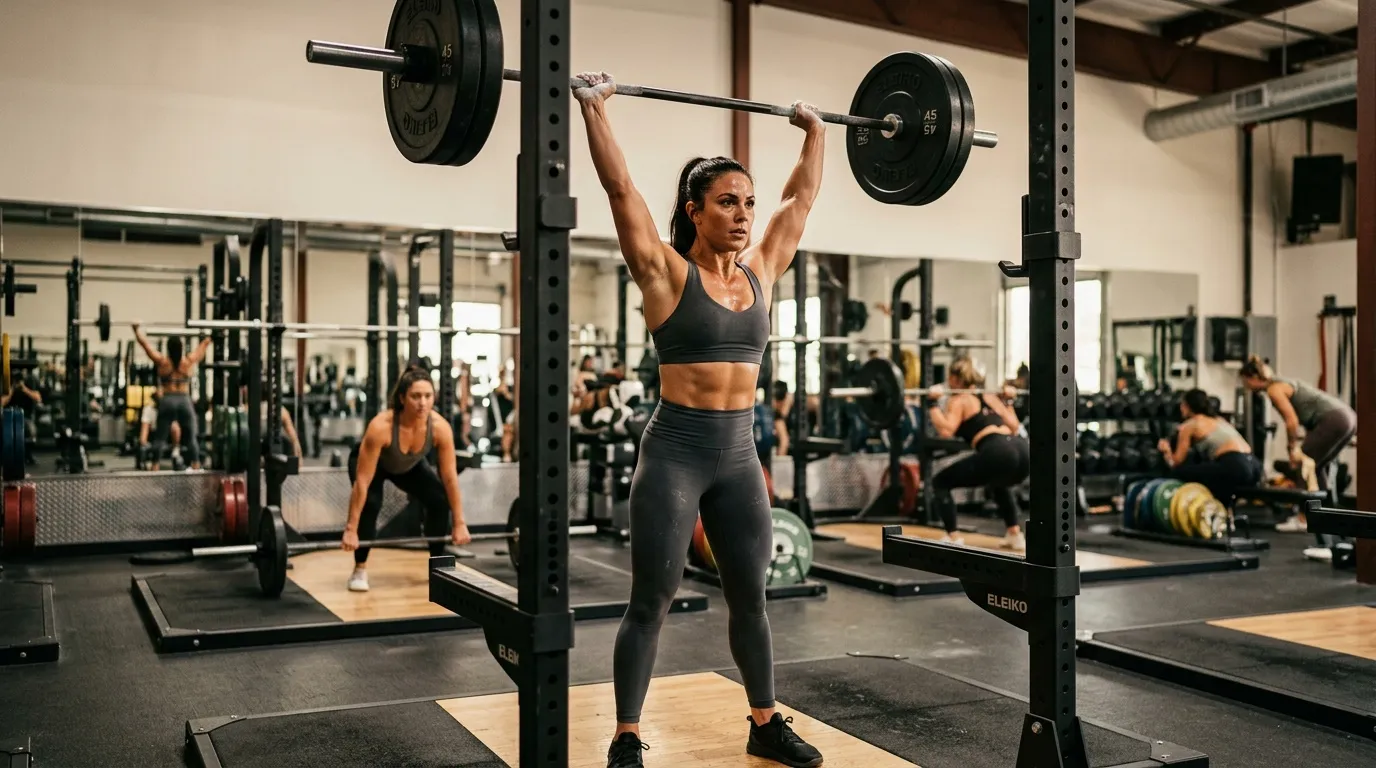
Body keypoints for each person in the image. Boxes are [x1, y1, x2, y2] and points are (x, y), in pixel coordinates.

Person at [578, 70, 825, 768]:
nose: (745, 214)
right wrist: (596, 110)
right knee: (650, 601)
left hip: (739, 458)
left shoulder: (762, 272)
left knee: (753, 600)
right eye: (727, 202)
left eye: (748, 202)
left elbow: (801, 198)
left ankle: (764, 721)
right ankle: (626, 734)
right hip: (676, 454)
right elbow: (620, 189)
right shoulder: (663, 272)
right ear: (694, 210)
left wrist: (815, 133)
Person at [342, 367, 471, 592]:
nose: (423, 402)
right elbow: (362, 482)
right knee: (371, 503)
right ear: (402, 398)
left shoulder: (440, 428)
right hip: (375, 464)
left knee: (439, 499)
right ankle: (359, 568)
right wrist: (351, 528)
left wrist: (459, 523)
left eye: (428, 396)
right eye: (416, 396)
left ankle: (438, 568)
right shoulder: (381, 427)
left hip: (408, 465)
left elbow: (449, 478)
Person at [1239, 355, 1357, 534]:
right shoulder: (1283, 383)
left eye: (1245, 381)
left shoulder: (1274, 389)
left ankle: (1304, 518)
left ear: (1253, 377)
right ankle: (1322, 516)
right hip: (1347, 418)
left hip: (1335, 419)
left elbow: (1291, 422)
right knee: (1316, 467)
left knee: (1303, 464)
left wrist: (1292, 448)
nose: (1245, 386)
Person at [923, 357, 1030, 551]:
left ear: (955, 379)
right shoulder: (990, 396)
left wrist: (931, 404)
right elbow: (1014, 426)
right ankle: (1015, 535)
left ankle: (953, 537)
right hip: (1023, 450)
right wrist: (1009, 400)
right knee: (999, 483)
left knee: (940, 482)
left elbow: (946, 430)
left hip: (997, 450)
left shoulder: (960, 399)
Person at [1157, 389, 1260, 506]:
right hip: (1255, 466)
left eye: (1182, 405)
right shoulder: (1220, 420)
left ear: (1186, 406)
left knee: (1178, 473)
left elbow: (1175, 463)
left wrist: (1166, 450)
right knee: (1207, 472)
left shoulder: (1190, 425)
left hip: (1235, 466)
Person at [134, 328, 211, 470]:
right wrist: (209, 337)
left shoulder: (162, 362)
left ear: (168, 349)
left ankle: (155, 466)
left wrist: (136, 330)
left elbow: (145, 345)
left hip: (167, 400)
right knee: (191, 437)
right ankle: (196, 465)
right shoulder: (187, 362)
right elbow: (202, 349)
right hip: (183, 400)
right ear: (181, 349)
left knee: (160, 437)